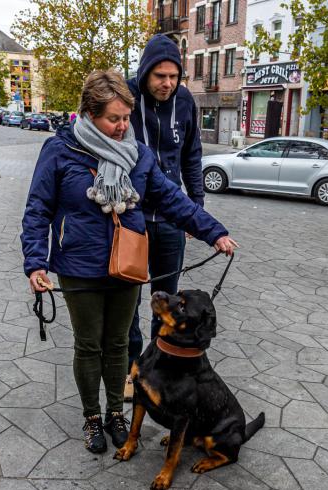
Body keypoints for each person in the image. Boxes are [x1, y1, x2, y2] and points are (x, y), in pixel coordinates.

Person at [21, 69, 238, 454]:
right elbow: (38, 209)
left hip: (128, 264)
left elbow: (173, 200)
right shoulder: (60, 150)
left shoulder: (139, 155)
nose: (122, 127)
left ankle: (115, 413)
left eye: (126, 117)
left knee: (120, 343)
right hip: (79, 266)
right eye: (113, 119)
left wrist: (214, 232)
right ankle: (92, 418)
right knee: (90, 345)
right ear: (89, 114)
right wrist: (36, 263)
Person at [125, 34, 205, 394]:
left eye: (174, 76)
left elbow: (192, 156)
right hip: (132, 217)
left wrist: (196, 210)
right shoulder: (126, 95)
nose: (167, 84)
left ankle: (155, 373)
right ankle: (131, 371)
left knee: (166, 304)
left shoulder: (185, 101)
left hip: (171, 219)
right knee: (127, 302)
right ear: (145, 74)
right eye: (160, 76)